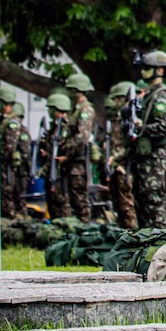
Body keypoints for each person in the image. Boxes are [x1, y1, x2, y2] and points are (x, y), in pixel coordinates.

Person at [130, 50, 166, 228]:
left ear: (160, 71)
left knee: (154, 207)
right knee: (142, 205)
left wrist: (141, 128)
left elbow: (165, 127)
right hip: (143, 158)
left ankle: (159, 249)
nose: (144, 72)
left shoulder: (162, 97)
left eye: (148, 68)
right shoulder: (148, 96)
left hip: (154, 160)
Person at [60, 70, 97, 221]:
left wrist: (67, 154)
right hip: (73, 160)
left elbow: (82, 136)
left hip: (78, 160)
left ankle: (85, 227)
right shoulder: (76, 110)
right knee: (73, 196)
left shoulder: (85, 110)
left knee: (79, 197)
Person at [104, 81, 138, 228]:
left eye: (118, 99)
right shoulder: (118, 119)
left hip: (126, 167)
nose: (116, 102)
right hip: (116, 166)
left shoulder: (131, 118)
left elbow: (130, 145)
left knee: (128, 207)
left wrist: (117, 158)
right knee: (119, 206)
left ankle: (133, 238)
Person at [0, 86, 32, 220]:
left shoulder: (12, 122)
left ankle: (13, 221)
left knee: (10, 194)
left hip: (10, 166)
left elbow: (10, 146)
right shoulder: (5, 121)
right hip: (10, 165)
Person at [40, 92, 73, 219]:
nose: (49, 111)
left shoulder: (66, 127)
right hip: (51, 169)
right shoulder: (53, 128)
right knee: (52, 201)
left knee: (62, 201)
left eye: (51, 109)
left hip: (62, 171)